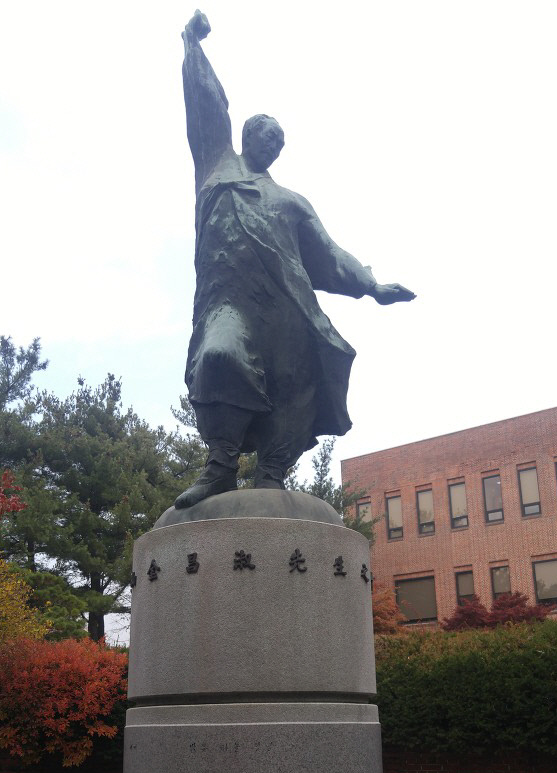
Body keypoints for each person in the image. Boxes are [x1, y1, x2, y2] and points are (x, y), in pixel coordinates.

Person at [176, 10, 415, 508]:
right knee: (219, 356)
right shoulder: (217, 167)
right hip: (230, 303)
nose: (275, 144)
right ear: (247, 135)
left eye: (281, 142)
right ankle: (220, 466)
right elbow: (206, 108)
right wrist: (193, 47)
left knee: (291, 390)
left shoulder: (291, 201)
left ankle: (271, 474)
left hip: (288, 309)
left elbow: (328, 255)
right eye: (269, 135)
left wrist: (372, 286)